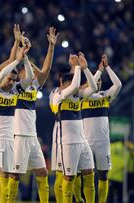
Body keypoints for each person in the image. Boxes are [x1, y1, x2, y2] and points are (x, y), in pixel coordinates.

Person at [7, 27, 58, 203]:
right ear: (21, 74)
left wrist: (51, 47)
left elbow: (46, 71)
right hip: (18, 135)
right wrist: (19, 45)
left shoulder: (34, 87)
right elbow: (12, 61)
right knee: (15, 175)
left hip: (32, 136)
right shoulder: (14, 88)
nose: (35, 75)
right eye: (29, 72)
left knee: (42, 172)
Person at [0, 33, 33, 203]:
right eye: (9, 79)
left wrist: (25, 58)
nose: (11, 82)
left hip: (9, 140)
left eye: (13, 80)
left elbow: (30, 78)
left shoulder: (15, 93)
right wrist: (16, 61)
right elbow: (1, 73)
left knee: (6, 176)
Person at [50, 53, 97, 203]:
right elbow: (75, 85)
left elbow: (94, 87)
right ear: (62, 84)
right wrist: (77, 67)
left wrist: (85, 68)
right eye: (68, 85)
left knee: (89, 173)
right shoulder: (57, 95)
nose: (73, 88)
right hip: (67, 142)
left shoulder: (78, 95)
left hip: (82, 140)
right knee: (68, 177)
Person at [81, 54, 122, 203]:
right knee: (86, 174)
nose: (97, 83)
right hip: (86, 140)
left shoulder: (105, 96)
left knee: (103, 174)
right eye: (94, 81)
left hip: (103, 142)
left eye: (99, 81)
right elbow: (89, 88)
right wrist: (98, 72)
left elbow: (118, 85)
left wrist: (107, 68)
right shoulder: (83, 96)